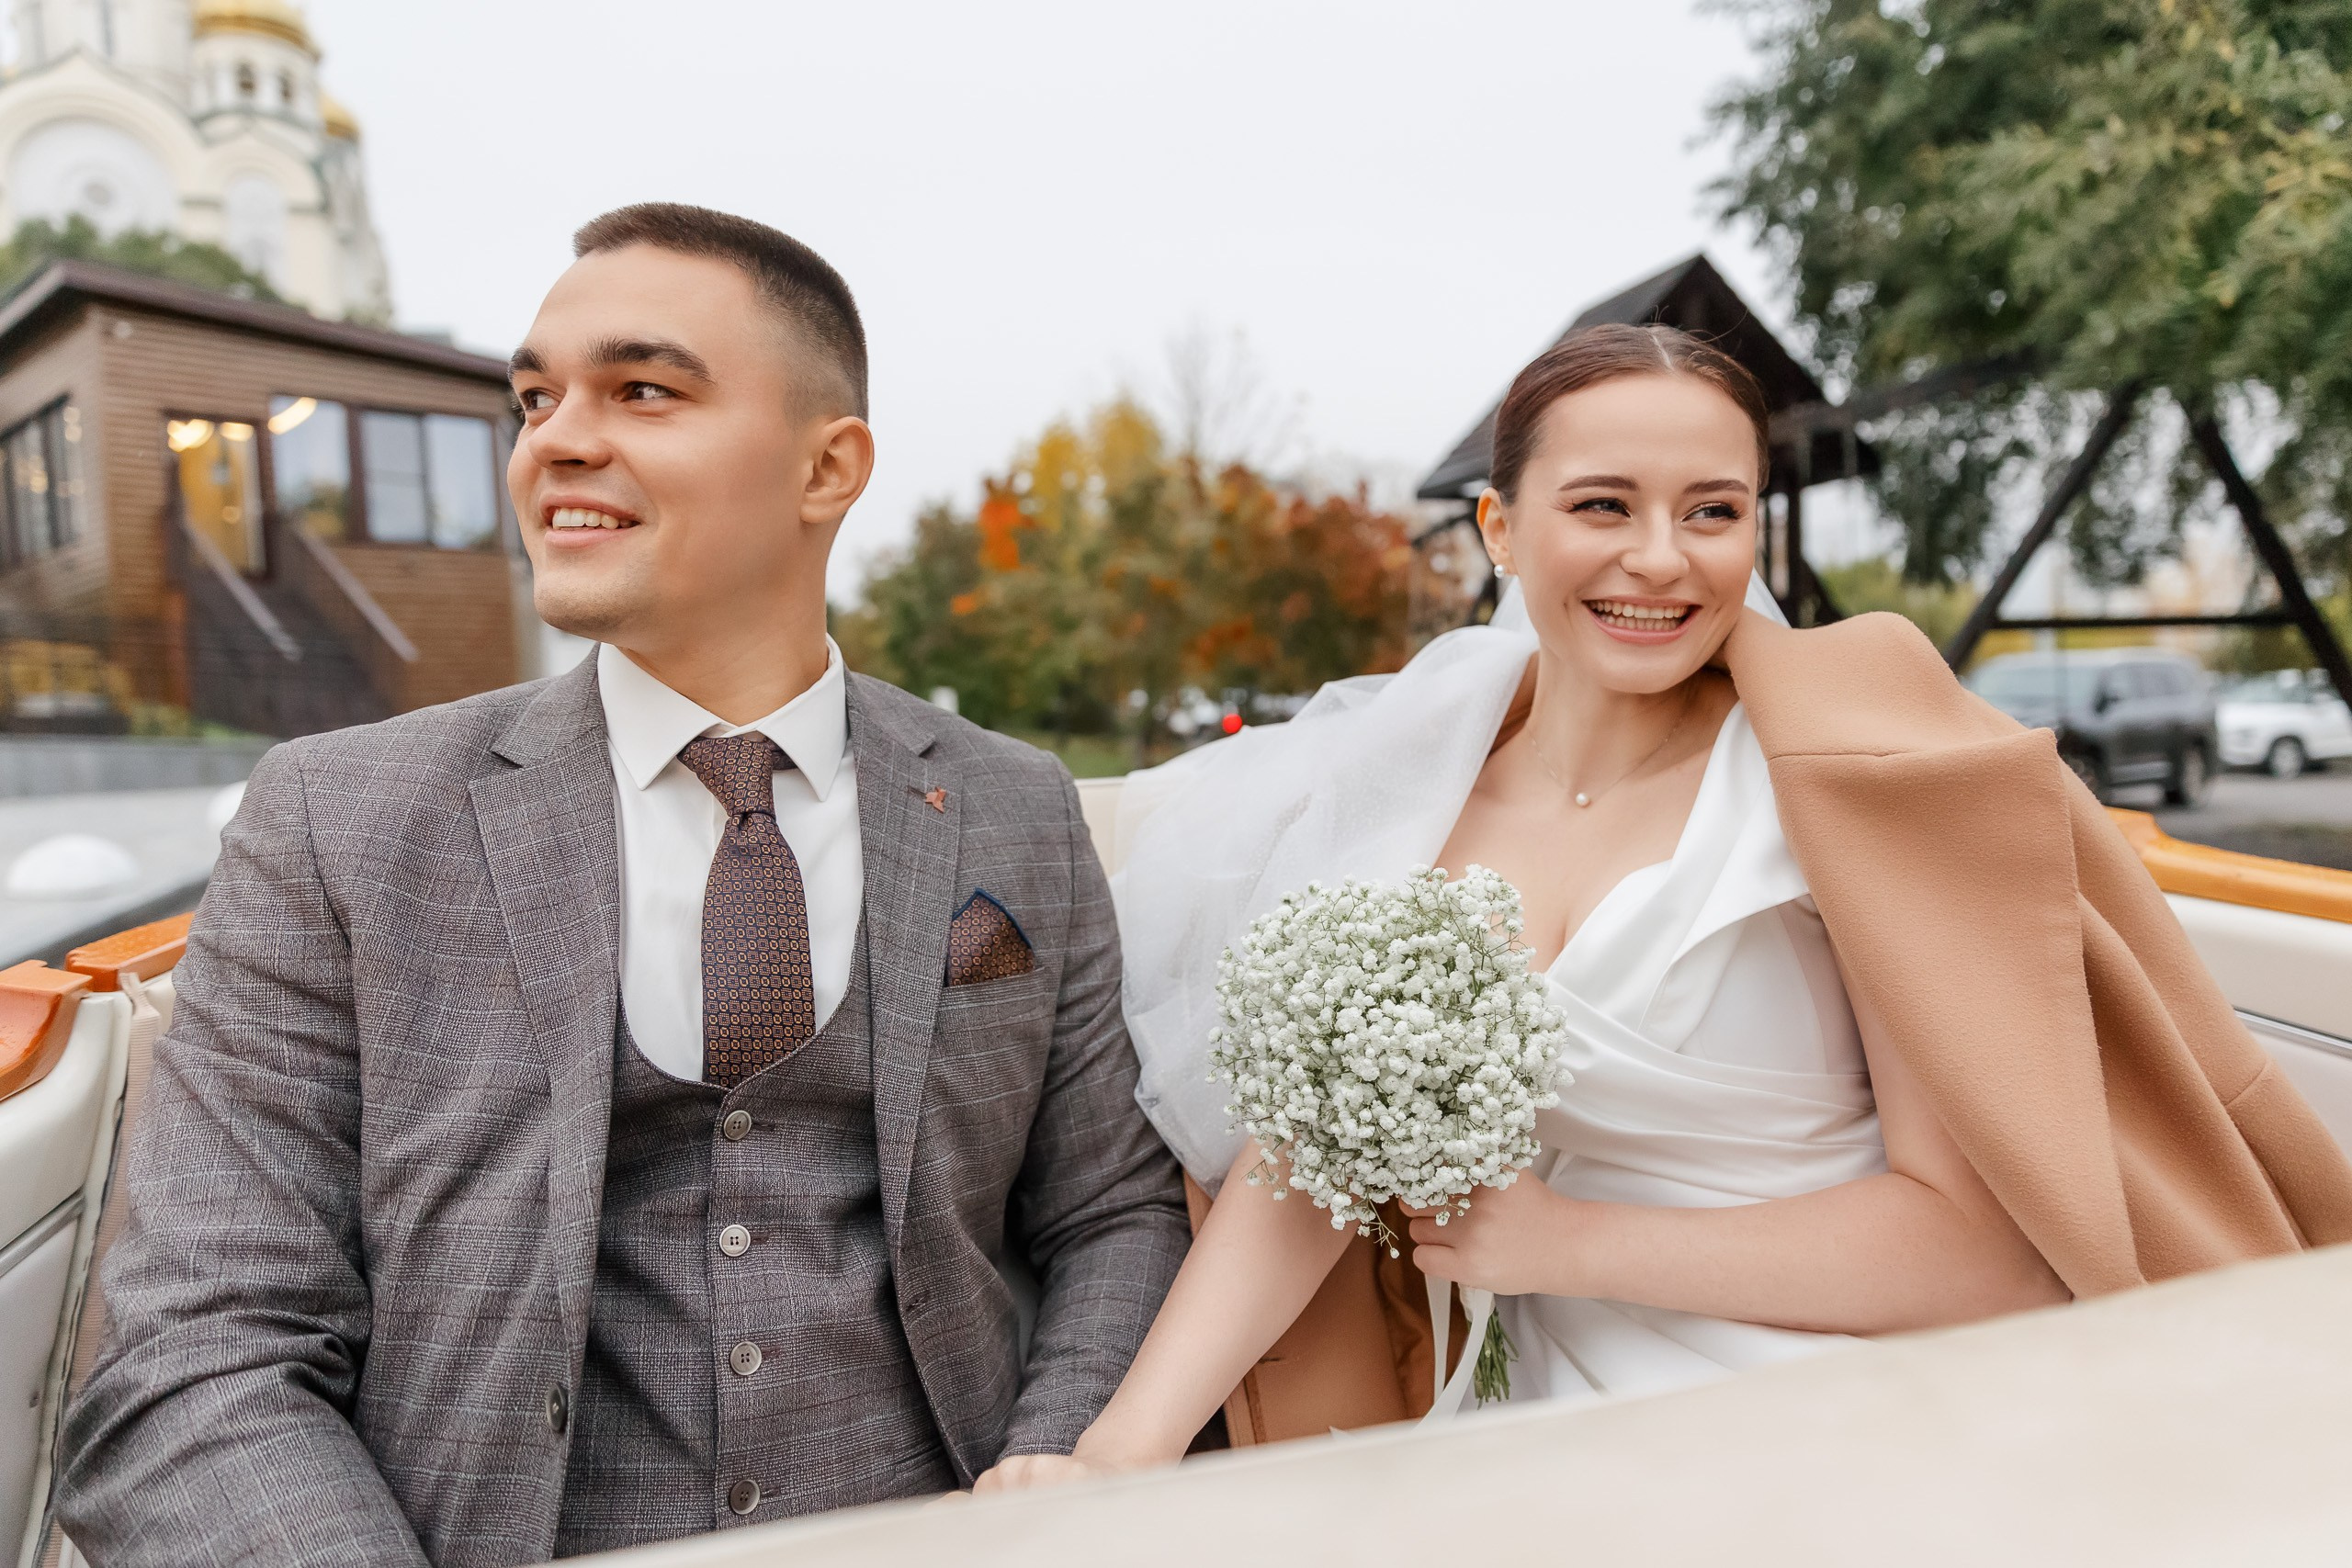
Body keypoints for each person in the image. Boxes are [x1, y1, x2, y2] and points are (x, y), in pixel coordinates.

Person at [976, 322, 2352, 1489]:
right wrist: (1114, 1462)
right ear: (1502, 530)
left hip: (1873, 1410)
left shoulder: (1836, 791)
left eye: (1713, 510)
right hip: (1551, 1417)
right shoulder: (1415, 804)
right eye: (1602, 507)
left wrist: (1565, 1244)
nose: (1662, 560)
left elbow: (1985, 1255)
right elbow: (1309, 1170)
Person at [55, 203, 1190, 1564]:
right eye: (536, 398)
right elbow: (198, 1352)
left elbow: (1110, 1213)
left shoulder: (1013, 805)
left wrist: (1049, 1477)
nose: (555, 441)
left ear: (829, 469)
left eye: (642, 389)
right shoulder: (336, 819)